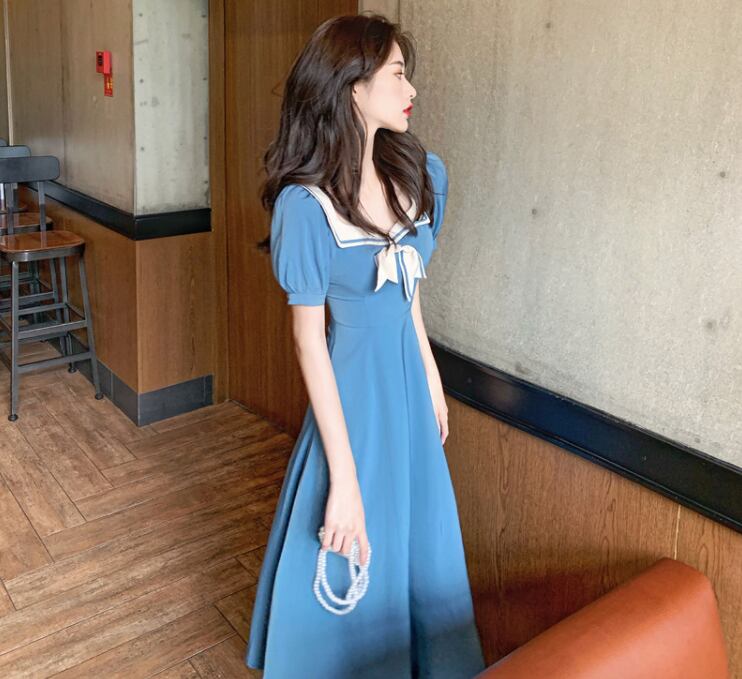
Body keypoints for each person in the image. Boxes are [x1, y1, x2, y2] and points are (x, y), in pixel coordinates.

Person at [245, 12, 486, 678]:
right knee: (351, 532)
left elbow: (407, 292)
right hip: (353, 394)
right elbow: (308, 341)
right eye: (398, 74)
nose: (412, 90)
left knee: (421, 538)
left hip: (408, 386)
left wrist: (431, 375)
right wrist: (344, 478)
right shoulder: (306, 205)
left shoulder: (420, 174)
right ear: (353, 85)